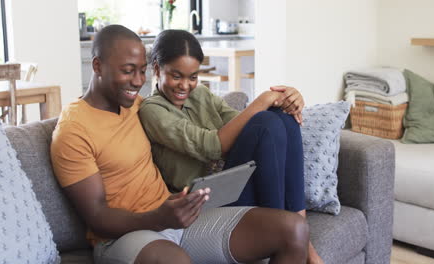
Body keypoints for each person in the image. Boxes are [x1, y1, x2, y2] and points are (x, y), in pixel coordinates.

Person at [50, 24, 309, 264]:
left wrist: (283, 99)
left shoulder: (135, 105)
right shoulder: (73, 131)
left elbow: (237, 125)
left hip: (179, 219)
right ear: (97, 66)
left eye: (141, 71)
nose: (139, 81)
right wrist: (158, 218)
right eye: (128, 71)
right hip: (124, 236)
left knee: (294, 230)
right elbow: (97, 218)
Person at [139, 29, 324, 264]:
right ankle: (286, 234)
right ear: (156, 69)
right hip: (200, 204)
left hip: (230, 184)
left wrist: (288, 98)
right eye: (176, 76)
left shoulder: (200, 95)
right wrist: (264, 98)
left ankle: (302, 239)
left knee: (282, 117)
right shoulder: (152, 110)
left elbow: (244, 125)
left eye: (193, 77)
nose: (185, 85)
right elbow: (213, 146)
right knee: (266, 120)